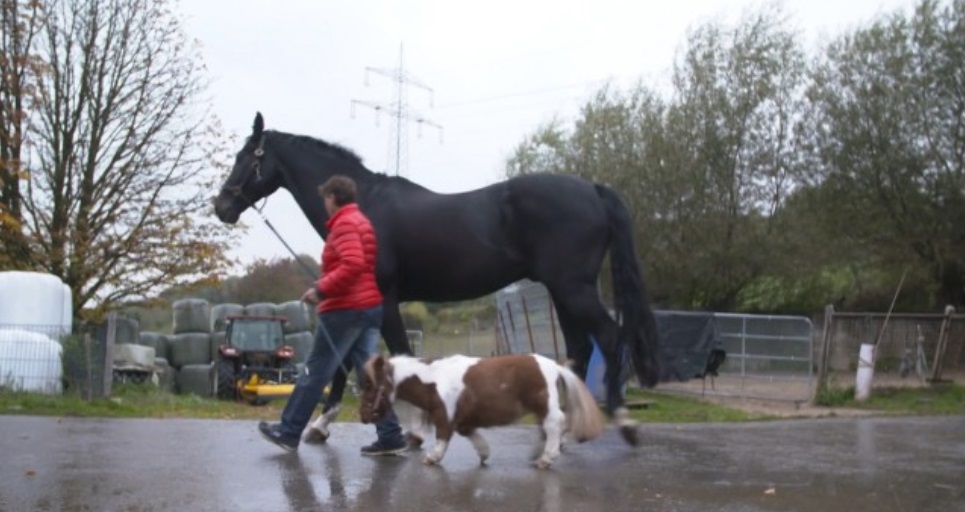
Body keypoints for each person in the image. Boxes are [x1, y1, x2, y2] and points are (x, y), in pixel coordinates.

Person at [258, 174, 407, 456]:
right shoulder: (361, 222)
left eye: (325, 197)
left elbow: (352, 265)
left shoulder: (345, 224)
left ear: (332, 197)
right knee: (371, 377)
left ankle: (288, 431)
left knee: (316, 372)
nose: (324, 203)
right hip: (368, 307)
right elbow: (361, 267)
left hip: (345, 311)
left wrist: (321, 289)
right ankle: (390, 435)